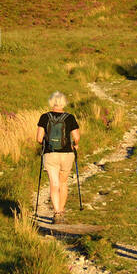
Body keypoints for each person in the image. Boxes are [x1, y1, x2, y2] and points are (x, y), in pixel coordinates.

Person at [36, 93, 81, 221]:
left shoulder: (45, 117)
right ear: (64, 103)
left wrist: (46, 143)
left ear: (51, 102)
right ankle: (61, 211)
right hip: (67, 154)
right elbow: (76, 137)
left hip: (51, 154)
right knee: (63, 183)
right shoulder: (70, 117)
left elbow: (39, 138)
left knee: (54, 184)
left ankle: (56, 213)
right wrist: (75, 145)